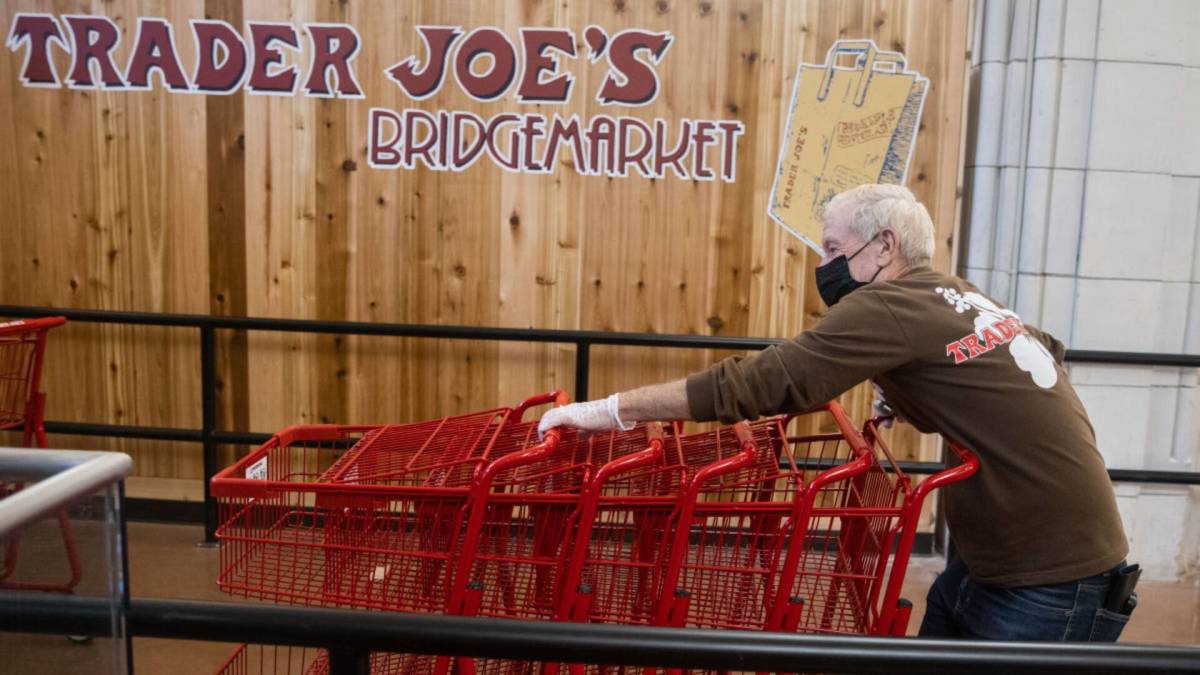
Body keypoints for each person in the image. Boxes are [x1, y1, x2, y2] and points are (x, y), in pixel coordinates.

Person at [537, 183, 1137, 642]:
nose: (822, 265)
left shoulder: (887, 305)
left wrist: (610, 409)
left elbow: (764, 382)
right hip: (1018, 557)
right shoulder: (956, 293)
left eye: (833, 248)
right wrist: (915, 394)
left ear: (885, 246)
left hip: (1047, 579)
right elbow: (1044, 349)